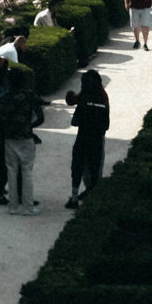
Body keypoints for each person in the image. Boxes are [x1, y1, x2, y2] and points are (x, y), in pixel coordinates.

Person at [0, 60, 45, 212]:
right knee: (27, 171)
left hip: (9, 137)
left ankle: (13, 205)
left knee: (11, 170)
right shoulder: (30, 95)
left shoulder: (5, 96)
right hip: (26, 136)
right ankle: (28, 206)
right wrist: (29, 126)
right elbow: (41, 118)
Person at [64, 69, 110, 209]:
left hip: (82, 137)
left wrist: (69, 94)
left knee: (77, 167)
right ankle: (92, 197)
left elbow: (72, 107)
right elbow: (106, 125)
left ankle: (74, 198)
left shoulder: (84, 96)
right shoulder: (103, 97)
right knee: (95, 168)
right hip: (97, 139)